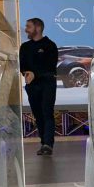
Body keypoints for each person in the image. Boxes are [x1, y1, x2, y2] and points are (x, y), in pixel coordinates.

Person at [20, 18, 58, 156]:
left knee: (47, 112)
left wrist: (35, 73)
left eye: (29, 27)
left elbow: (50, 66)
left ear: (38, 28)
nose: (26, 30)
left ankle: (48, 144)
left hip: (47, 84)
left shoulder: (50, 45)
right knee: (38, 115)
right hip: (32, 86)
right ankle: (43, 143)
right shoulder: (25, 46)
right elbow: (22, 65)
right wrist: (26, 72)